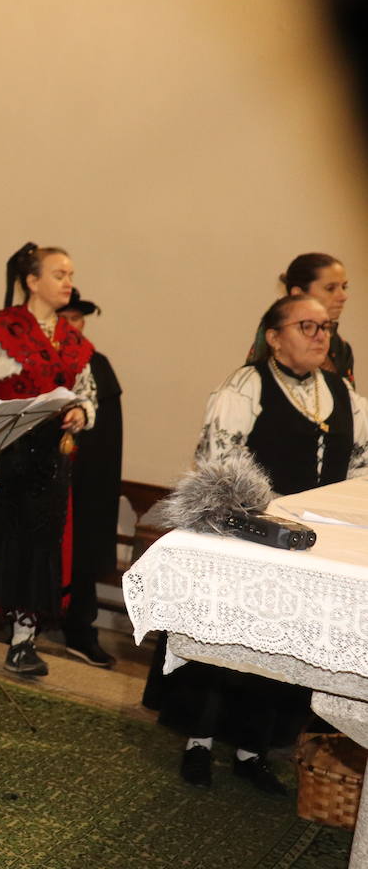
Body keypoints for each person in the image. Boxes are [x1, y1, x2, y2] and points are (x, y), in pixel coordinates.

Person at [156, 293, 368, 793]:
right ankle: (199, 744)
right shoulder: (245, 386)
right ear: (274, 338)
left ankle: (254, 751)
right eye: (307, 327)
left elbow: (359, 470)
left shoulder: (344, 394)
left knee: (283, 653)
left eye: (325, 328)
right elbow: (216, 462)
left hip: (313, 549)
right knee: (226, 647)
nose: (321, 337)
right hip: (251, 541)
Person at [0, 243, 97, 677]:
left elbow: (88, 394)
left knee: (40, 549)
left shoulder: (74, 341)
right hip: (1, 456)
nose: (68, 282)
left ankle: (22, 641)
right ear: (32, 281)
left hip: (49, 463)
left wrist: (79, 412)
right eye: (59, 274)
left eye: (70, 274)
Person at [58, 292, 121, 668]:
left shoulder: (97, 365)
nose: (71, 326)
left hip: (83, 479)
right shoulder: (38, 362)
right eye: (62, 318)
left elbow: (108, 437)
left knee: (81, 546)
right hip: (43, 476)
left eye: (77, 320)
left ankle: (79, 631)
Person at [247, 253, 353, 385]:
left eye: (344, 287)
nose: (343, 296)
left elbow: (348, 401)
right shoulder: (277, 334)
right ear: (298, 293)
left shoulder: (341, 347)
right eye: (330, 288)